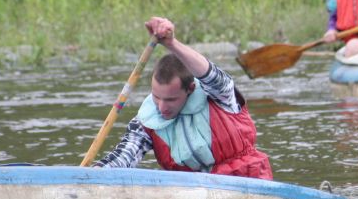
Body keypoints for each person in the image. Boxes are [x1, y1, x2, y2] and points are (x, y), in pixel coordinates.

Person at [94, 17, 273, 180]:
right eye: (157, 97)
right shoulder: (146, 121)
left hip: (246, 181)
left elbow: (211, 74)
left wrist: (171, 43)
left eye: (171, 100)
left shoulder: (221, 97)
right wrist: (95, 173)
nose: (161, 107)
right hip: (194, 194)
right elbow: (123, 158)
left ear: (190, 89)